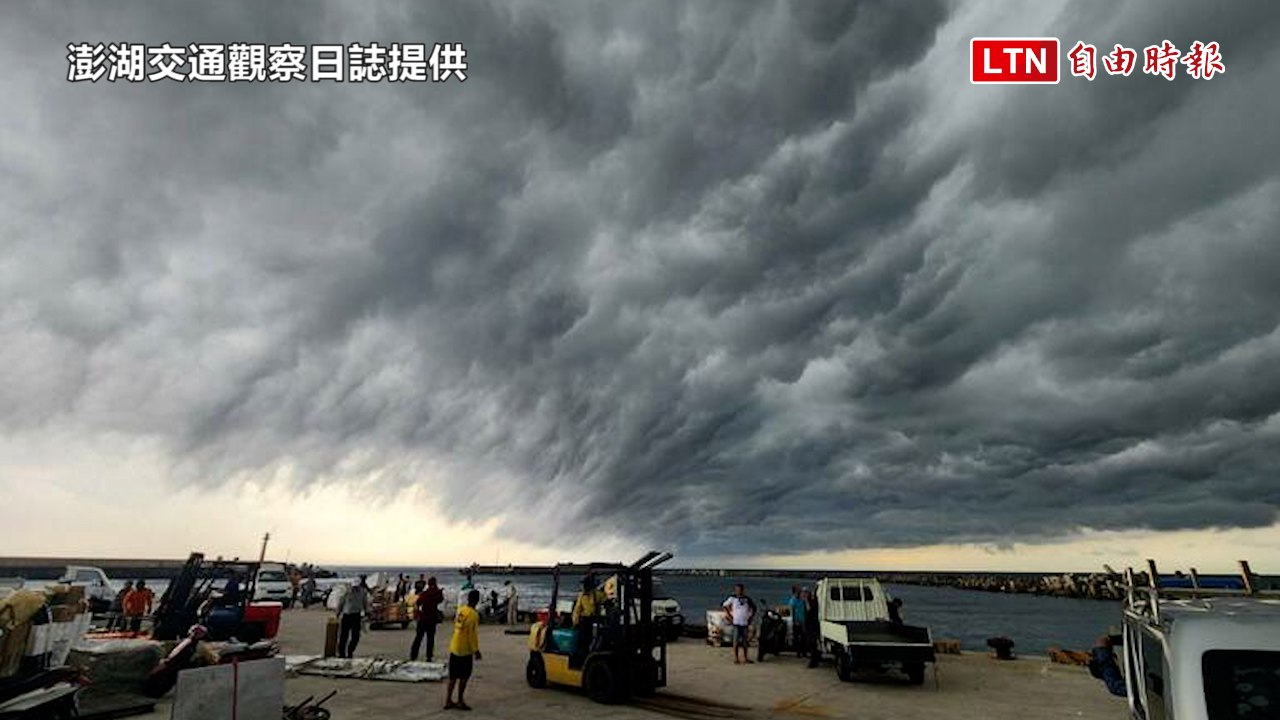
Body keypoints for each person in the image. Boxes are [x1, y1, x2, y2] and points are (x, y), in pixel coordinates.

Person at [444, 589, 482, 711]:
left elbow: (457, 626)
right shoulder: (473, 615)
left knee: (453, 676)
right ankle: (460, 700)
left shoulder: (461, 610)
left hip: (454, 646)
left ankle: (448, 700)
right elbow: (472, 635)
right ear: (477, 600)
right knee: (464, 676)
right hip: (465, 649)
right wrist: (476, 650)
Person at [411, 576, 445, 662]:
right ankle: (429, 656)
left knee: (418, 638)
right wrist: (439, 591)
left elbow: (418, 603)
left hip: (423, 619)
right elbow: (440, 600)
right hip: (432, 619)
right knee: (430, 639)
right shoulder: (437, 593)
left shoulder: (424, 593)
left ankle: (413, 655)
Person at [722, 584, 757, 665]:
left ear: (743, 590)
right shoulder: (732, 598)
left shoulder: (747, 599)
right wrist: (729, 616)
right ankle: (736, 658)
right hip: (736, 623)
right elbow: (724, 606)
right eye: (737, 590)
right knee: (736, 641)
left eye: (740, 590)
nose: (739, 591)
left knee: (745, 642)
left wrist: (751, 617)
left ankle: (745, 657)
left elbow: (754, 608)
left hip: (745, 623)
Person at [338, 575, 371, 658]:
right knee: (343, 636)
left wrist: (367, 612)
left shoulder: (363, 592)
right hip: (346, 615)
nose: (355, 588)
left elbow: (365, 602)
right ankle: (341, 653)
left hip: (356, 615)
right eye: (354, 586)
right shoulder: (346, 591)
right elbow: (341, 602)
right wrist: (338, 613)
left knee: (355, 637)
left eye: (357, 586)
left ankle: (350, 651)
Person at [786, 586, 807, 657]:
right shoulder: (793, 600)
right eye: (798, 591)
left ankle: (804, 652)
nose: (799, 592)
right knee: (798, 637)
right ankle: (798, 652)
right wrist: (794, 621)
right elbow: (791, 611)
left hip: (803, 621)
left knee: (803, 637)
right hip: (797, 621)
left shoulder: (802, 600)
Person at [803, 588, 820, 668]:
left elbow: (809, 610)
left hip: (812, 626)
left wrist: (806, 600)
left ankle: (813, 662)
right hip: (810, 625)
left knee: (812, 643)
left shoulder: (812, 602)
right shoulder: (811, 601)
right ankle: (815, 659)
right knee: (811, 643)